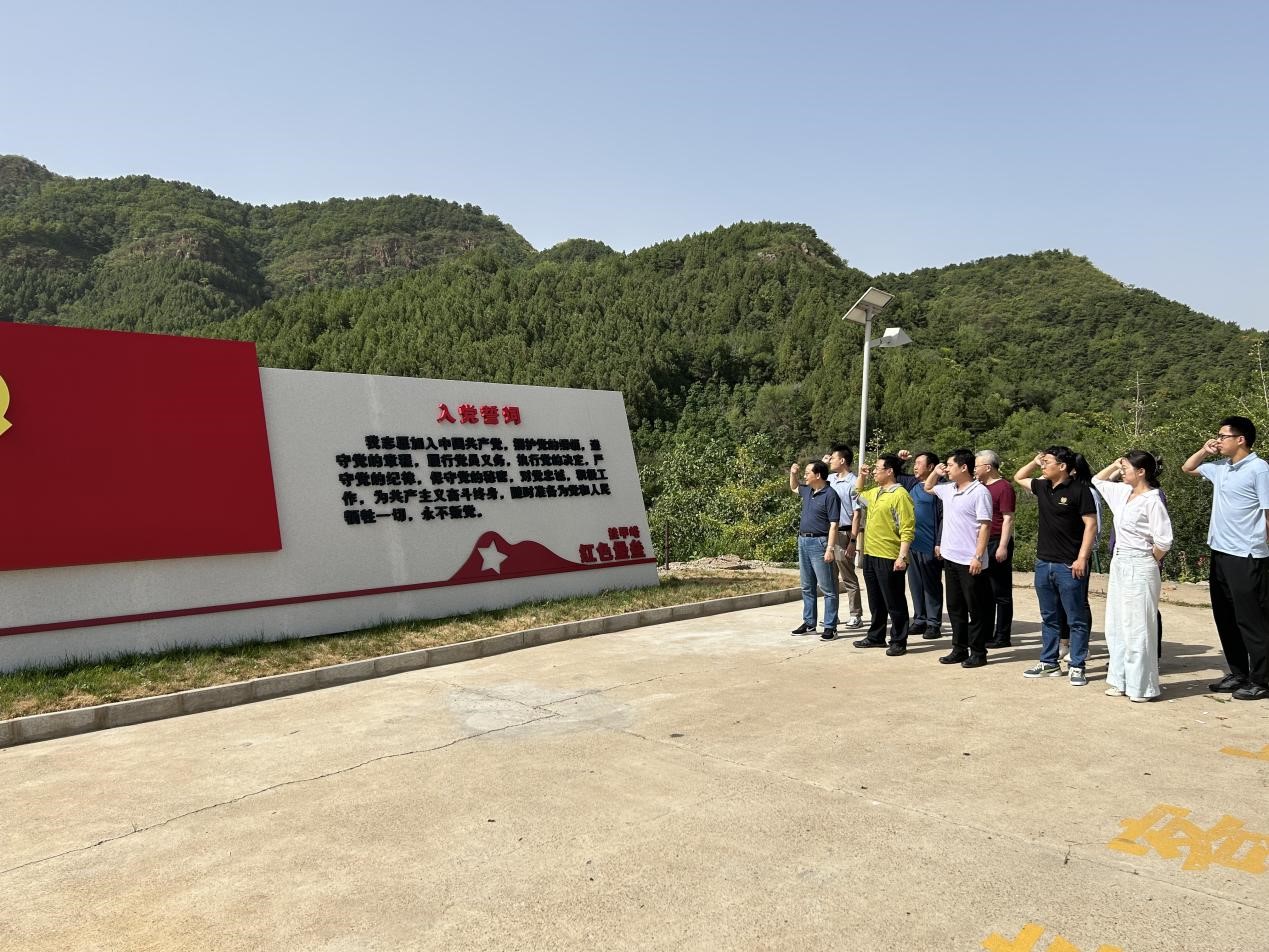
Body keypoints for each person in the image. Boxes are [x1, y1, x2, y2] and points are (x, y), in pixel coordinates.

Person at [1182, 416, 1269, 701]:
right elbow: (1188, 468)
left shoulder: (1259, 469)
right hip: (1220, 552)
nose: (1218, 440)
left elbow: (1268, 512)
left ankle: (1262, 679)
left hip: (1247, 554)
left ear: (1240, 439)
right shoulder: (1221, 468)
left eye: (1223, 436)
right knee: (1226, 617)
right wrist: (1205, 450)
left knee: (1251, 619)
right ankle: (1238, 673)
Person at [1014, 446, 1098, 687]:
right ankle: (1049, 662)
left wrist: (1082, 558)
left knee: (1076, 618)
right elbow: (1019, 477)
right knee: (1049, 617)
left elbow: (1091, 525)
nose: (1043, 466)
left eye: (1047, 462)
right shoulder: (1042, 486)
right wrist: (1034, 461)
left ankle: (1077, 665)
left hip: (1069, 564)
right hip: (1044, 562)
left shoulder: (1080, 490)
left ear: (1062, 466)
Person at [1093, 453, 1173, 702]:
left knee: (1138, 626)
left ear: (1141, 472)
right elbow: (1097, 480)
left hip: (1141, 563)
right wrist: (1116, 464)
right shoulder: (1122, 493)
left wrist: (1150, 559)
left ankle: (1141, 687)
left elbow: (1164, 541)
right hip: (1119, 562)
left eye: (1127, 468)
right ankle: (1120, 680)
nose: (1122, 472)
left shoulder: (1152, 500)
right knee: (1116, 624)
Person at [925, 449, 994, 667]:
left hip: (970, 561)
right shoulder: (948, 489)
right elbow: (928, 487)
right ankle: (959, 648)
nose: (947, 469)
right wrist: (935, 472)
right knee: (955, 607)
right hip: (951, 557)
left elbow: (985, 526)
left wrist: (978, 556)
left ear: (964, 467)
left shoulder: (979, 492)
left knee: (976, 608)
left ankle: (979, 652)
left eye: (950, 465)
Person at [852, 454, 916, 655]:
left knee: (894, 601)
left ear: (889, 471)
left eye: (877, 468)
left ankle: (898, 640)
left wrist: (902, 556)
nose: (874, 472)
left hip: (889, 555)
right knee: (876, 600)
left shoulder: (900, 495)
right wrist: (862, 476)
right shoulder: (876, 492)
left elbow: (907, 529)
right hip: (871, 553)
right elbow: (856, 494)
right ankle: (876, 636)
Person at [789, 459, 841, 640]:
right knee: (807, 586)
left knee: (827, 588)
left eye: (807, 473)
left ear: (818, 475)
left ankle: (830, 627)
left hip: (820, 543)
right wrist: (793, 474)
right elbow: (794, 487)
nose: (805, 476)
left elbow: (834, 525)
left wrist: (830, 549)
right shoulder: (808, 490)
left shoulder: (830, 495)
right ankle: (809, 623)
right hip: (803, 541)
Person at [975, 451, 1016, 649]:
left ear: (988, 467)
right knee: (985, 592)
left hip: (998, 540)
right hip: (982, 542)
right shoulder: (979, 487)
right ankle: (986, 633)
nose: (975, 469)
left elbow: (1008, 518)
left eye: (977, 466)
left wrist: (1002, 546)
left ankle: (1002, 635)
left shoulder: (1004, 487)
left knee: (1001, 592)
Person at [826, 444, 864, 630]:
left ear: (842, 460)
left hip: (844, 533)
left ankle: (855, 614)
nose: (830, 460)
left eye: (833, 457)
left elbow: (857, 514)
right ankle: (832, 615)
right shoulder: (829, 479)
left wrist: (853, 541)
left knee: (847, 576)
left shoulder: (853, 482)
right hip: (829, 533)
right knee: (829, 577)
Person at [907, 451, 945, 640]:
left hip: (930, 544)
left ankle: (933, 623)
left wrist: (939, 542)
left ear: (931, 467)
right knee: (915, 584)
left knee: (931, 585)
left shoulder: (940, 489)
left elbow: (944, 518)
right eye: (914, 463)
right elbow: (893, 472)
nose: (915, 467)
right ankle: (919, 619)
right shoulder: (912, 484)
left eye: (919, 463)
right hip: (912, 544)